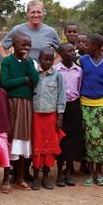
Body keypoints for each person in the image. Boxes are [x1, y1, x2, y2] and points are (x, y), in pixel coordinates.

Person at [0, 32, 39, 191]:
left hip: (26, 104)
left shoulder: (30, 62)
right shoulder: (7, 61)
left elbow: (35, 80)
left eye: (29, 45)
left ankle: (20, 178)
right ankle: (6, 179)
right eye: (23, 44)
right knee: (10, 139)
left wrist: (27, 62)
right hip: (12, 103)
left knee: (23, 140)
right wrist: (24, 80)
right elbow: (5, 82)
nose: (26, 48)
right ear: (14, 45)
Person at [77, 33, 103, 187]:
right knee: (88, 139)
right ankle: (91, 173)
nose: (84, 47)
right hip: (85, 104)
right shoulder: (81, 61)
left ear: (98, 47)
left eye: (87, 45)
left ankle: (99, 173)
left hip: (102, 104)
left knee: (101, 140)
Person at [30, 48, 66, 190]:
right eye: (45, 59)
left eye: (51, 59)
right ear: (39, 59)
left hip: (51, 116)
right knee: (37, 147)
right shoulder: (34, 75)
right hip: (36, 115)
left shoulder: (57, 76)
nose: (48, 62)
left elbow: (61, 95)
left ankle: (45, 178)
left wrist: (60, 115)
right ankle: (35, 178)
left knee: (49, 148)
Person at [54, 43, 85, 187]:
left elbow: (78, 88)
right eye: (69, 51)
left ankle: (68, 173)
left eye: (73, 51)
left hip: (74, 106)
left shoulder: (78, 70)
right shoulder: (56, 70)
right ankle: (59, 173)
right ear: (60, 53)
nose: (73, 53)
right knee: (61, 139)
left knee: (73, 139)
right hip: (60, 108)